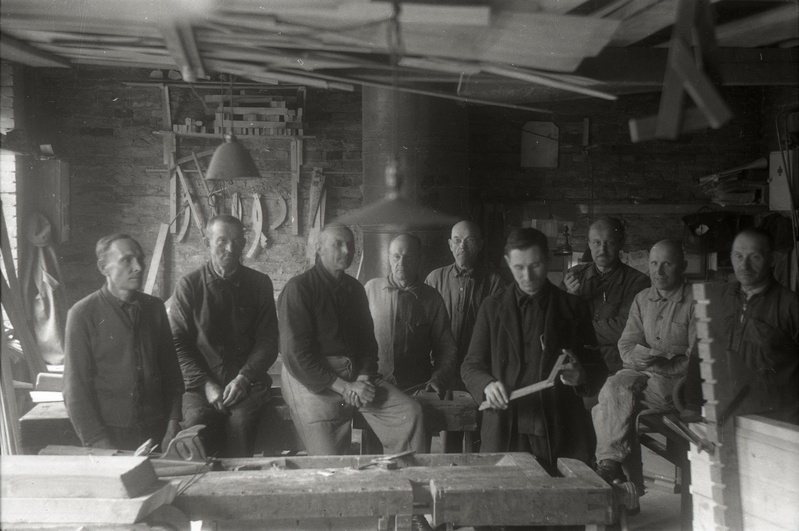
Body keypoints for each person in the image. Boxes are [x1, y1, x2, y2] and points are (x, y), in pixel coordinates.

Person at [461, 228, 607, 471]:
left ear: (548, 260)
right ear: (508, 262)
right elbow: (470, 366)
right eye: (519, 267)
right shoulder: (491, 307)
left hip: (560, 429)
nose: (527, 276)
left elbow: (598, 368)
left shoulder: (574, 307)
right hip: (505, 428)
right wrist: (487, 385)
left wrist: (582, 375)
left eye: (535, 265)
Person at [278, 225, 427, 457]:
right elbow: (296, 357)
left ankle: (405, 478)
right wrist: (344, 387)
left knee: (410, 414)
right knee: (331, 461)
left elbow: (368, 343)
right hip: (311, 381)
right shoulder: (298, 289)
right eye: (338, 244)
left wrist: (364, 378)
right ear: (319, 248)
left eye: (350, 244)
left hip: (356, 376)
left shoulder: (355, 289)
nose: (347, 251)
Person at [169, 215, 278, 457]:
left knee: (240, 425)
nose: (230, 248)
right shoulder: (189, 285)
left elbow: (269, 341)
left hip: (248, 384)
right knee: (197, 427)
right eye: (222, 241)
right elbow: (177, 343)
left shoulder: (259, 284)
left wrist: (244, 378)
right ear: (206, 242)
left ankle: (238, 478)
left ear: (244, 243)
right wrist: (206, 385)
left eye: (237, 241)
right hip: (199, 386)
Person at [64, 234, 183, 451]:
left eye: (140, 259)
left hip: (157, 431)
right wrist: (99, 443)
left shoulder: (155, 308)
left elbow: (172, 374)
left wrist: (173, 424)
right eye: (127, 260)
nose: (138, 267)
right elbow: (75, 389)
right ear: (104, 268)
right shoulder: (82, 314)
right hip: (109, 435)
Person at [592, 240, 696, 485]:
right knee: (613, 390)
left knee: (608, 407)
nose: (658, 271)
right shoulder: (642, 299)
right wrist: (641, 358)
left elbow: (696, 358)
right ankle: (615, 469)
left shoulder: (695, 301)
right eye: (654, 263)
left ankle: (615, 471)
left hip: (675, 382)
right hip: (639, 373)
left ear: (683, 267)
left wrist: (659, 364)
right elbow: (626, 345)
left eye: (667, 264)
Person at [687, 228, 798, 424]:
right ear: (731, 257)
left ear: (772, 259)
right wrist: (693, 405)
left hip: (776, 419)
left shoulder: (791, 305)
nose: (744, 265)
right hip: (724, 415)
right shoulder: (716, 298)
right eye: (738, 256)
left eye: (754, 257)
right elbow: (700, 351)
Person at [365, 233, 458, 396]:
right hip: (374, 387)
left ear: (420, 259)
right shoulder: (370, 290)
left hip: (417, 388)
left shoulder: (432, 298)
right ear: (389, 258)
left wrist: (438, 378)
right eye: (396, 256)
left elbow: (446, 348)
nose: (401, 263)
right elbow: (354, 340)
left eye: (408, 257)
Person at [562, 217, 650, 374]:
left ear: (621, 243)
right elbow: (557, 322)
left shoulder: (638, 282)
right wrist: (571, 298)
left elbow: (626, 328)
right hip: (576, 362)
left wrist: (577, 329)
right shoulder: (574, 275)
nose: (602, 250)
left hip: (615, 365)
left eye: (609, 243)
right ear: (589, 244)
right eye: (596, 243)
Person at [425, 220, 505, 388]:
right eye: (457, 240)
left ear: (480, 245)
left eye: (470, 240)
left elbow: (499, 331)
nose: (462, 246)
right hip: (439, 369)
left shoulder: (494, 281)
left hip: (479, 370)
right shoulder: (434, 279)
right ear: (450, 245)